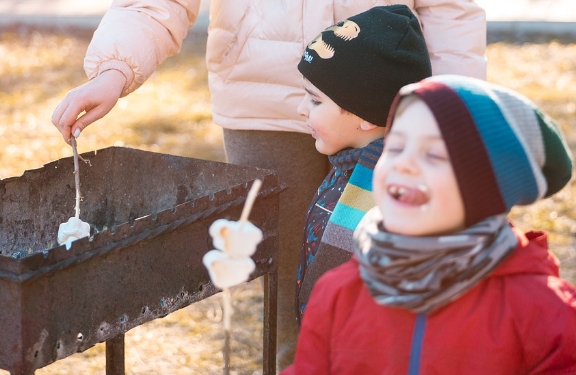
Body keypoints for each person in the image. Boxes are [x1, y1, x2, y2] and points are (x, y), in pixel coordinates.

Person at [50, 0, 487, 368]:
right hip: (260, 107)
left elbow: (450, 9)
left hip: (393, 110)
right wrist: (114, 68)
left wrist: (450, 107)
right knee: (293, 312)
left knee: (402, 293)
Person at [283, 74, 576, 374]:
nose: (403, 163)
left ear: (488, 189)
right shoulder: (339, 292)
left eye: (434, 154)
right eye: (395, 147)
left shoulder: (541, 312)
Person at [294, 5, 432, 324]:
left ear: (365, 115)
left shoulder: (388, 197)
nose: (302, 109)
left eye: (315, 100)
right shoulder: (346, 166)